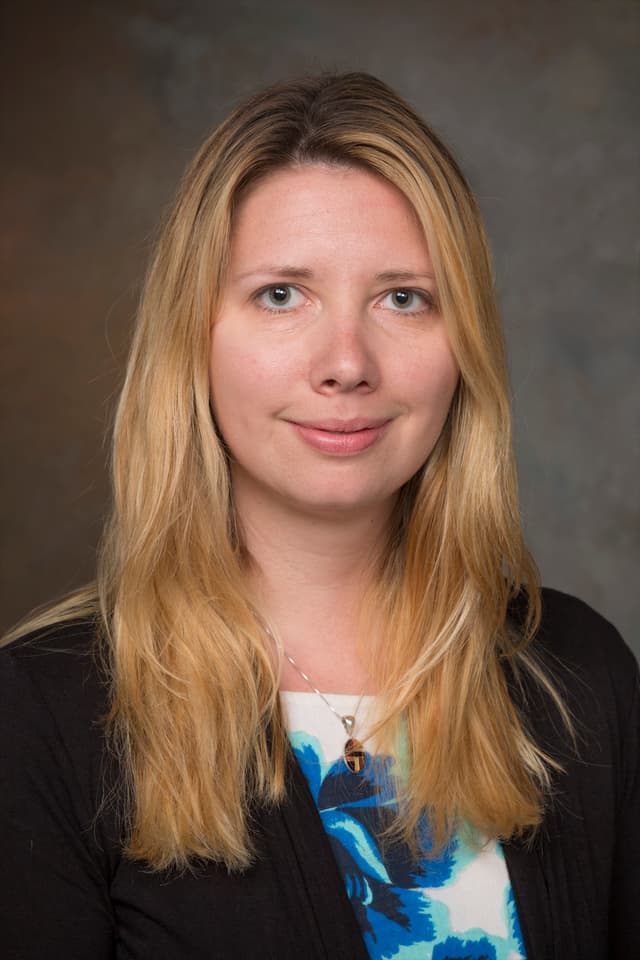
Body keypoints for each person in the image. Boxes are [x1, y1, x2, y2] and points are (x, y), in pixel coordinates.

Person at [0, 72, 637, 960]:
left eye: (404, 297)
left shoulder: (578, 674)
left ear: (467, 346)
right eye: (281, 295)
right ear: (193, 337)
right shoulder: (39, 713)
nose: (346, 364)